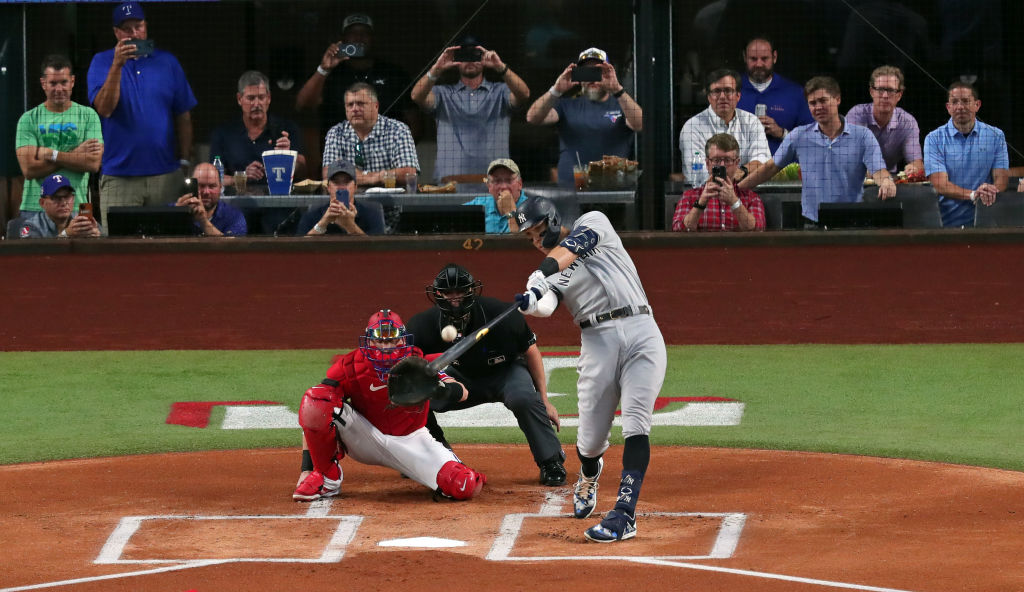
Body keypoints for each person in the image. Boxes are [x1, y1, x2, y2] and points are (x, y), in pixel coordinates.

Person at [512, 195, 667, 543]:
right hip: (598, 343)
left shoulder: (594, 223)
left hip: (643, 330)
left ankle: (624, 514)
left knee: (637, 423)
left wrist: (541, 273)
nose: (535, 241)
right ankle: (589, 472)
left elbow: (574, 248)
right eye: (529, 238)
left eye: (537, 231)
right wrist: (532, 298)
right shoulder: (550, 276)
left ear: (552, 221)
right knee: (591, 441)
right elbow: (547, 306)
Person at [293, 309, 486, 502]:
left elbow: (463, 392)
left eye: (392, 341)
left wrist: (441, 389)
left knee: (463, 485)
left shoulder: (419, 364)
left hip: (412, 441)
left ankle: (445, 470)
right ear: (369, 341)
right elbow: (315, 409)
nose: (386, 347)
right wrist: (307, 468)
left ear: (402, 340)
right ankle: (327, 479)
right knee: (317, 400)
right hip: (364, 436)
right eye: (381, 341)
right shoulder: (350, 366)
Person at [406, 263, 566, 487]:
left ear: (472, 291)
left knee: (524, 398)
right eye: (448, 292)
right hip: (462, 377)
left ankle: (551, 462)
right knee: (414, 397)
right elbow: (406, 362)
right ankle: (434, 457)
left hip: (506, 373)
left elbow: (531, 351)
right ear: (438, 294)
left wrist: (545, 399)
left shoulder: (500, 315)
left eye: (460, 291)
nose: (455, 298)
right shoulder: (423, 324)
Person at [87, 1, 198, 226]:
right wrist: (117, 65)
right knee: (117, 250)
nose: (134, 33)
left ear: (146, 26)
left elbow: (183, 115)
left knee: (168, 245)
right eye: (127, 29)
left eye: (138, 26)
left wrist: (185, 158)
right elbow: (105, 108)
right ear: (116, 33)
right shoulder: (101, 62)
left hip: (165, 175)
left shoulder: (167, 62)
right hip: (119, 176)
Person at [738, 76, 896, 225]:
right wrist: (737, 189)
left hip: (853, 221)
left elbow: (878, 169)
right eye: (813, 103)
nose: (818, 107)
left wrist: (886, 181)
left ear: (837, 99)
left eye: (823, 101)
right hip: (812, 223)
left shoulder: (862, 136)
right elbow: (770, 167)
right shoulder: (798, 136)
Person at [410, 40, 530, 184]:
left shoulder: (501, 91)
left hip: (495, 181)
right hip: (449, 182)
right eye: (464, 56)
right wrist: (437, 68)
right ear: (456, 61)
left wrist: (500, 67)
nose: (470, 60)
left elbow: (524, 94)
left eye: (475, 55)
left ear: (485, 58)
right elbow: (416, 96)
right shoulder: (442, 93)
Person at [526, 47, 642, 189]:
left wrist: (617, 89)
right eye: (587, 73)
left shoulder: (622, 104)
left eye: (597, 72)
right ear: (579, 77)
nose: (592, 79)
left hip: (613, 191)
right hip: (571, 192)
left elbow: (640, 124)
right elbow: (532, 117)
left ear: (609, 73)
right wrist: (556, 90)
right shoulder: (566, 105)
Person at [295, 13, 419, 142]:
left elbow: (414, 121)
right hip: (339, 155)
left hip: (384, 155)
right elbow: (303, 105)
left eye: (365, 33)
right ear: (342, 39)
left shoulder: (393, 73)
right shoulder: (331, 75)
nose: (359, 38)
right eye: (352, 33)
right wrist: (324, 69)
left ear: (373, 39)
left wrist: (400, 153)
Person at [15, 55, 103, 215]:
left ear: (73, 82)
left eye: (64, 82)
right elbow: (29, 170)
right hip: (35, 207)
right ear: (43, 84)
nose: (59, 89)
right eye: (53, 83)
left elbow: (93, 164)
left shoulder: (89, 115)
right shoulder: (28, 119)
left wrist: (51, 154)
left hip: (77, 207)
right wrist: (76, 155)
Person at [923, 82, 1009, 228]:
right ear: (948, 107)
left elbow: (1001, 179)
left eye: (965, 101)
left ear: (977, 105)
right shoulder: (933, 138)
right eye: (955, 102)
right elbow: (940, 185)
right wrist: (973, 194)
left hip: (987, 223)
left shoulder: (996, 135)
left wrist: (991, 191)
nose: (960, 107)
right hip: (945, 224)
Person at [209, 70, 307, 190]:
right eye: (251, 98)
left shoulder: (287, 128)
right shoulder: (223, 134)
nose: (257, 103)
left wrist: (287, 158)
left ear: (269, 98)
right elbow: (213, 178)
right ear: (239, 99)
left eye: (261, 97)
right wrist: (241, 177)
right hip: (237, 205)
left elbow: (302, 169)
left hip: (280, 202)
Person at [679, 68, 770, 186]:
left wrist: (743, 170)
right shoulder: (692, 127)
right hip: (704, 197)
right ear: (709, 97)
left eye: (728, 91)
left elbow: (763, 160)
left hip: (745, 195)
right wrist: (732, 176)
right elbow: (696, 173)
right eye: (716, 91)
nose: (722, 96)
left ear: (738, 96)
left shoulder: (751, 122)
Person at [321, 82, 419, 188]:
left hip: (391, 201)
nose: (355, 109)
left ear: (376, 106)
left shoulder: (398, 130)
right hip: (348, 202)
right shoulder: (336, 133)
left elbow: (409, 174)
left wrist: (367, 178)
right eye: (350, 105)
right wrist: (380, 176)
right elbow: (328, 175)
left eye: (360, 104)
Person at [736, 37, 814, 155]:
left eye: (764, 58)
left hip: (784, 170)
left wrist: (782, 133)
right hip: (739, 169)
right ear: (744, 58)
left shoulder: (795, 93)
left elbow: (812, 138)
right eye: (753, 59)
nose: (759, 64)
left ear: (775, 57)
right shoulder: (730, 91)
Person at [672, 133, 765, 231]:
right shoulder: (689, 197)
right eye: (716, 160)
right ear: (707, 164)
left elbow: (758, 230)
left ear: (737, 163)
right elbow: (678, 230)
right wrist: (701, 203)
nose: (722, 165)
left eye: (727, 160)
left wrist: (734, 202)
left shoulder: (751, 198)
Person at [845, 66, 924, 176]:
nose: (885, 96)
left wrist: (914, 168)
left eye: (891, 90)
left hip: (890, 178)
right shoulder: (856, 115)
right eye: (880, 90)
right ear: (872, 92)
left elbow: (916, 161)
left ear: (899, 95)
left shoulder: (908, 122)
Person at [295, 160, 385, 236]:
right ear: (328, 188)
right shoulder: (312, 214)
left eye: (346, 182)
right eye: (336, 182)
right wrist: (323, 223)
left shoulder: (372, 213)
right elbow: (299, 250)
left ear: (355, 187)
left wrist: (350, 226)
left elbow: (377, 250)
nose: (342, 187)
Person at [11, 174, 101, 239]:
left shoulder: (83, 221)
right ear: (42, 203)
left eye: (67, 196)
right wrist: (66, 234)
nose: (63, 202)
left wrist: (97, 238)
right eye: (56, 197)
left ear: (73, 199)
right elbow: (34, 255)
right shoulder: (31, 226)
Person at [173, 163, 247, 236]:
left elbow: (232, 246)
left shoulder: (234, 216)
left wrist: (203, 221)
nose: (206, 192)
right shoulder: (177, 207)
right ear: (192, 186)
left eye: (212, 186)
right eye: (201, 186)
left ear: (220, 188)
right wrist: (176, 216)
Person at [461, 159, 529, 234]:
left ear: (520, 184)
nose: (503, 186)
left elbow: (523, 242)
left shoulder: (531, 207)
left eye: (509, 180)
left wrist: (510, 212)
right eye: (497, 181)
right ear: (489, 186)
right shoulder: (478, 204)